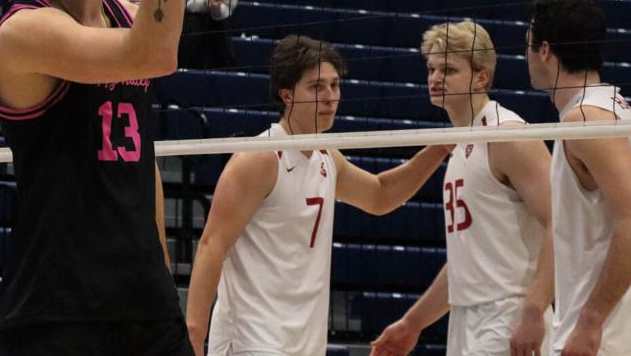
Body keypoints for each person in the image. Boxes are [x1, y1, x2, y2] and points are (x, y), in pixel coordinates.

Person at [0, 0, 190, 355]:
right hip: (61, 308)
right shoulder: (26, 30)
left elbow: (142, 163)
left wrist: (161, 277)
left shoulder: (126, 15)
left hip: (147, 304)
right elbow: (156, 53)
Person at [184, 34, 451, 356]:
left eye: (335, 85)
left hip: (304, 343)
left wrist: (439, 149)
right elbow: (212, 245)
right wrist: (194, 334)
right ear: (287, 95)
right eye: (316, 87)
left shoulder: (326, 156)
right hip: (252, 341)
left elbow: (380, 196)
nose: (329, 97)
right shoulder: (260, 157)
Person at [371, 21, 554, 356]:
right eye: (432, 68)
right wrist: (412, 323)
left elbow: (563, 224)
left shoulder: (508, 135)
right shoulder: (460, 145)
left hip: (509, 314)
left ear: (481, 77)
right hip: (466, 318)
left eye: (449, 70)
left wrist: (534, 309)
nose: (435, 78)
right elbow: (465, 264)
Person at [524, 0, 631, 355]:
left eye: (528, 44)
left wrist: (592, 319)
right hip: (630, 332)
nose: (526, 56)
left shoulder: (585, 118)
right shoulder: (620, 110)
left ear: (545, 50)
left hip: (606, 339)